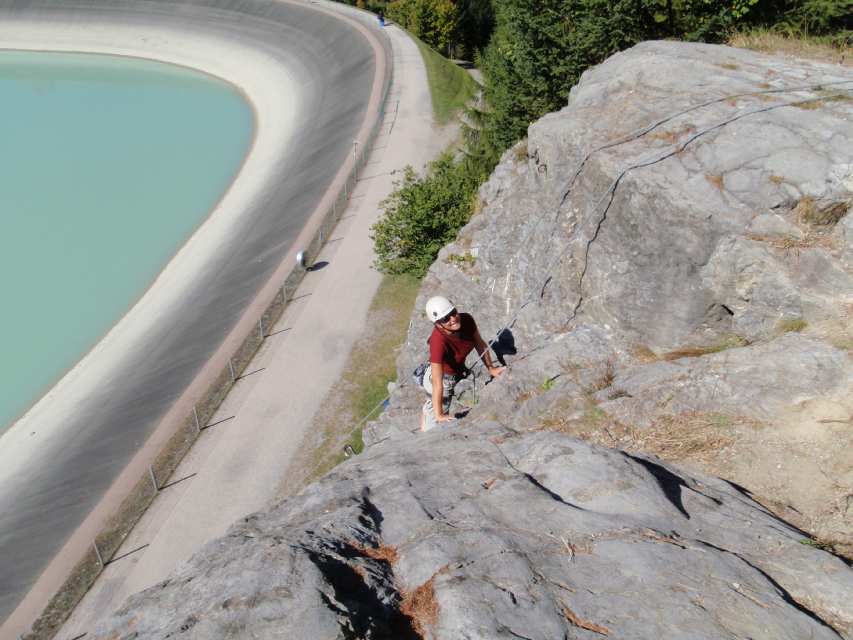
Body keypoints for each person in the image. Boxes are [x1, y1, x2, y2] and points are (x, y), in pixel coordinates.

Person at [420, 296, 504, 431]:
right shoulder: (438, 341)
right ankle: (427, 420)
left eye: (453, 313)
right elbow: (437, 382)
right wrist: (439, 415)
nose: (452, 319)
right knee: (434, 425)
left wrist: (491, 368)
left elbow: (480, 344)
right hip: (443, 379)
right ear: (437, 324)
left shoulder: (467, 320)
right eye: (445, 319)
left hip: (458, 371)